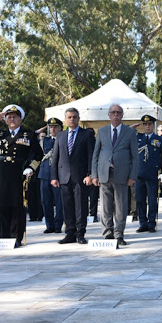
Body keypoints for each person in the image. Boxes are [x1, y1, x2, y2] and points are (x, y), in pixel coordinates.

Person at [0, 105, 43, 246]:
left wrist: (30, 168)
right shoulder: (1, 134)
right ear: (5, 120)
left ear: (20, 119)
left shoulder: (29, 135)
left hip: (18, 172)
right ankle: (4, 237)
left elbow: (39, 155)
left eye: (15, 116)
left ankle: (16, 237)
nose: (12, 119)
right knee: (3, 205)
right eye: (9, 117)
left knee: (17, 206)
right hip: (2, 172)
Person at [91, 104, 138, 246]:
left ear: (122, 115)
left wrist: (132, 176)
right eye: (113, 112)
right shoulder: (102, 131)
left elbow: (135, 156)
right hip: (104, 173)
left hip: (122, 174)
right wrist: (94, 174)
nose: (115, 115)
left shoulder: (129, 132)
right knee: (105, 206)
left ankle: (119, 234)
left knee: (120, 206)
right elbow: (96, 154)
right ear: (109, 115)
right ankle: (107, 233)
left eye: (118, 112)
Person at [52, 108, 95, 245]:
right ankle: (70, 233)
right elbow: (55, 158)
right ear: (65, 119)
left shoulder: (86, 134)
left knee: (81, 206)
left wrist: (90, 174)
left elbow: (91, 156)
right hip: (64, 176)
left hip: (81, 177)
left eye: (74, 117)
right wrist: (54, 176)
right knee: (67, 206)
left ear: (79, 118)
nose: (72, 119)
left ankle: (80, 233)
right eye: (69, 117)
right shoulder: (60, 136)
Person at [135, 115, 162, 232]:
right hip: (139, 174)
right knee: (140, 200)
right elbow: (125, 133)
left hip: (153, 174)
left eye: (149, 124)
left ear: (153, 125)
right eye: (145, 124)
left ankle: (151, 223)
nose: (147, 126)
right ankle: (142, 223)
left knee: (153, 200)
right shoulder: (137, 138)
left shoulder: (160, 140)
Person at [38, 118, 64, 234]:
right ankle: (50, 225)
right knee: (46, 200)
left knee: (59, 201)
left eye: (55, 127)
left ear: (60, 128)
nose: (52, 129)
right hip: (45, 173)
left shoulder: (63, 139)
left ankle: (58, 224)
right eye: (50, 127)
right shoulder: (44, 140)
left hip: (59, 173)